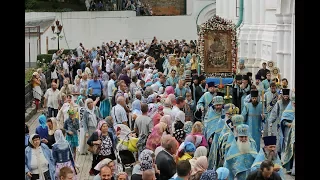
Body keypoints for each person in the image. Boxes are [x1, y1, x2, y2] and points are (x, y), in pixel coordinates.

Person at [203, 96, 225, 169]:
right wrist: (210, 136)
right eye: (217, 105)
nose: (218, 106)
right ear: (214, 105)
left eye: (220, 105)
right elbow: (207, 124)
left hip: (222, 136)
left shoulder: (224, 112)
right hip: (212, 137)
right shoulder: (210, 112)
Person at [268, 88, 291, 156]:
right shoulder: (279, 103)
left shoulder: (291, 104)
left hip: (289, 126)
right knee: (279, 142)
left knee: (288, 142)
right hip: (280, 126)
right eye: (284, 96)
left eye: (287, 96)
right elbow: (274, 113)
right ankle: (279, 158)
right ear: (282, 96)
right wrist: (270, 121)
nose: (286, 98)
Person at [280, 93, 295, 175]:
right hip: (289, 133)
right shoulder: (288, 110)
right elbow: (283, 121)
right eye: (294, 103)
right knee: (290, 149)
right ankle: (289, 168)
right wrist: (287, 124)